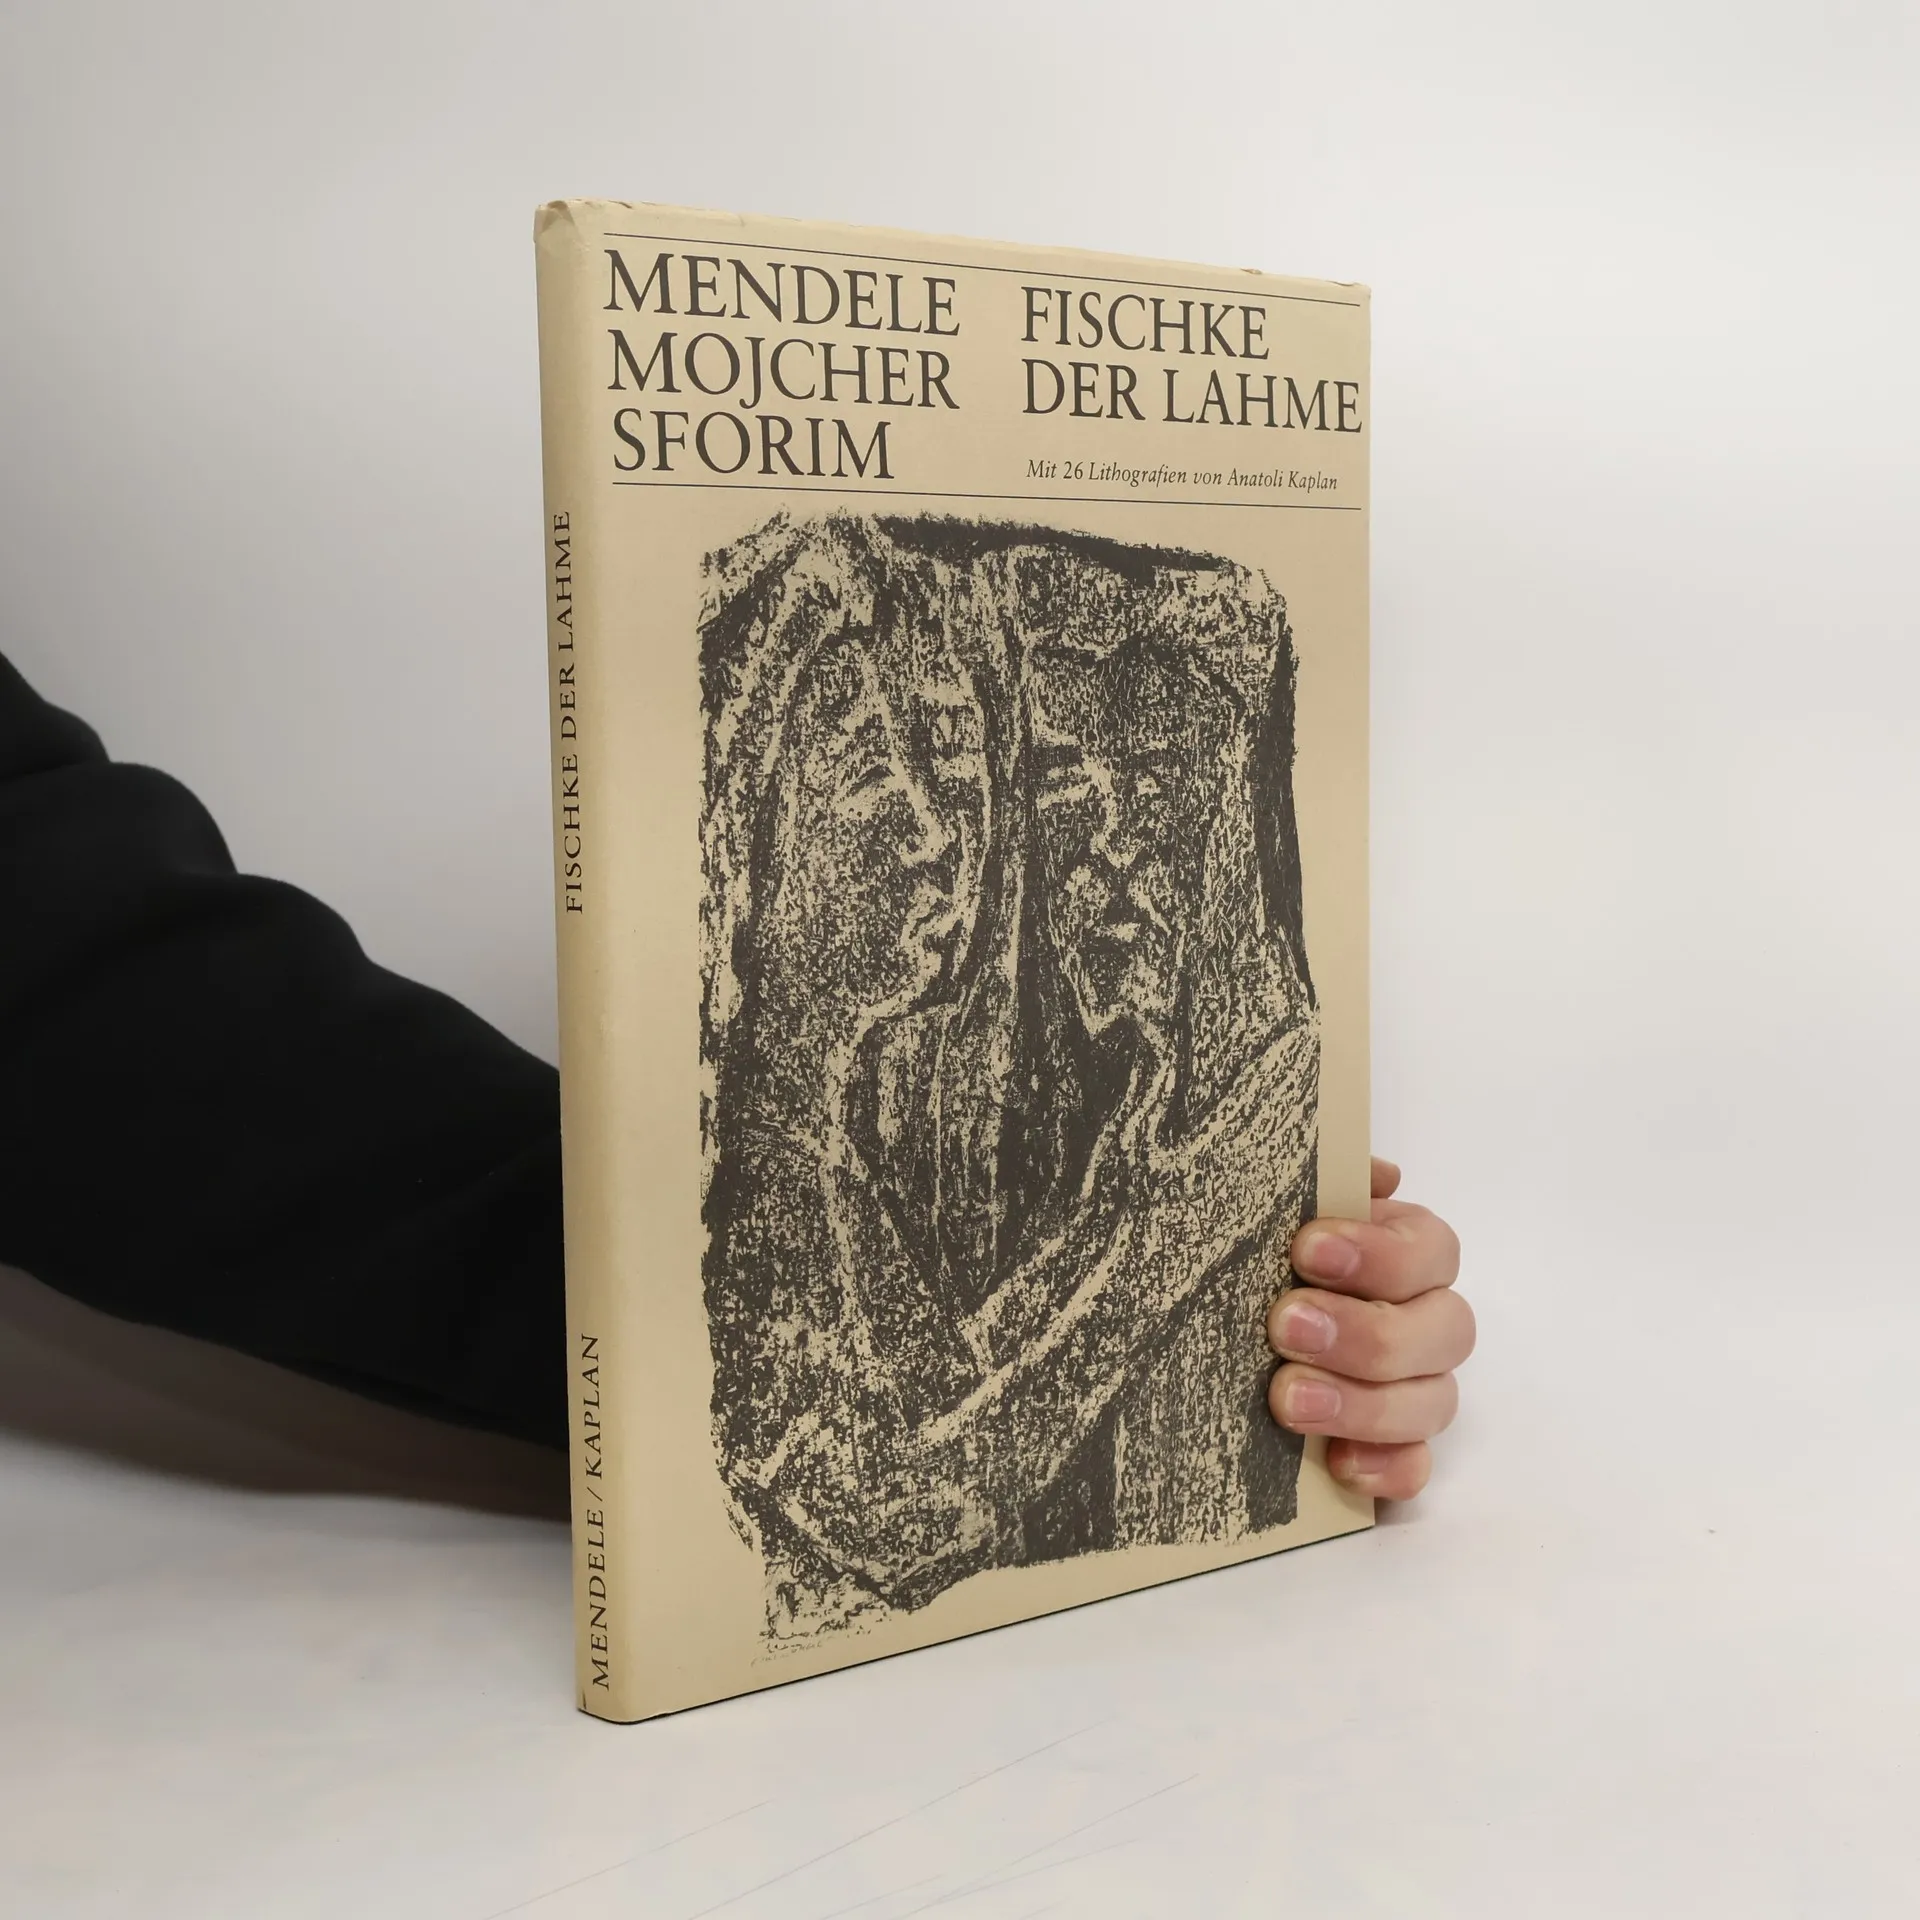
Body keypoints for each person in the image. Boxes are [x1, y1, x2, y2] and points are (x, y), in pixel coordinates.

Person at [0, 640, 1471, 1519]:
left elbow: (94, 991)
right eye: (873, 776)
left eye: (956, 782)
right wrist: (1181, 1232)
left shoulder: (886, 1156)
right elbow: (903, 1493)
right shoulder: (807, 1145)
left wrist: (1248, 1310)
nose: (940, 842)